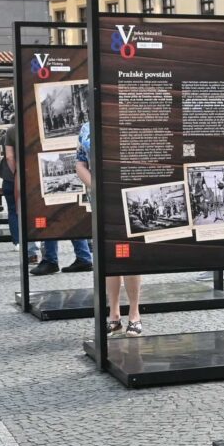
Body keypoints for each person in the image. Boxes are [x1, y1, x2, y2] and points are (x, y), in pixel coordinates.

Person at [74, 122, 141, 336]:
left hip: (128, 197)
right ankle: (113, 313)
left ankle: (134, 312)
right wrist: (96, 186)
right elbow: (80, 163)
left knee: (130, 256)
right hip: (101, 202)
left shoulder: (129, 120)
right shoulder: (86, 128)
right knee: (108, 256)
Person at [0, 123, 39, 262]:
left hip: (10, 179)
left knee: (13, 210)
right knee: (33, 211)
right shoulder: (36, 127)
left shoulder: (11, 131)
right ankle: (36, 245)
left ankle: (18, 242)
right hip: (33, 177)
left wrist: (16, 173)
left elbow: (9, 157)